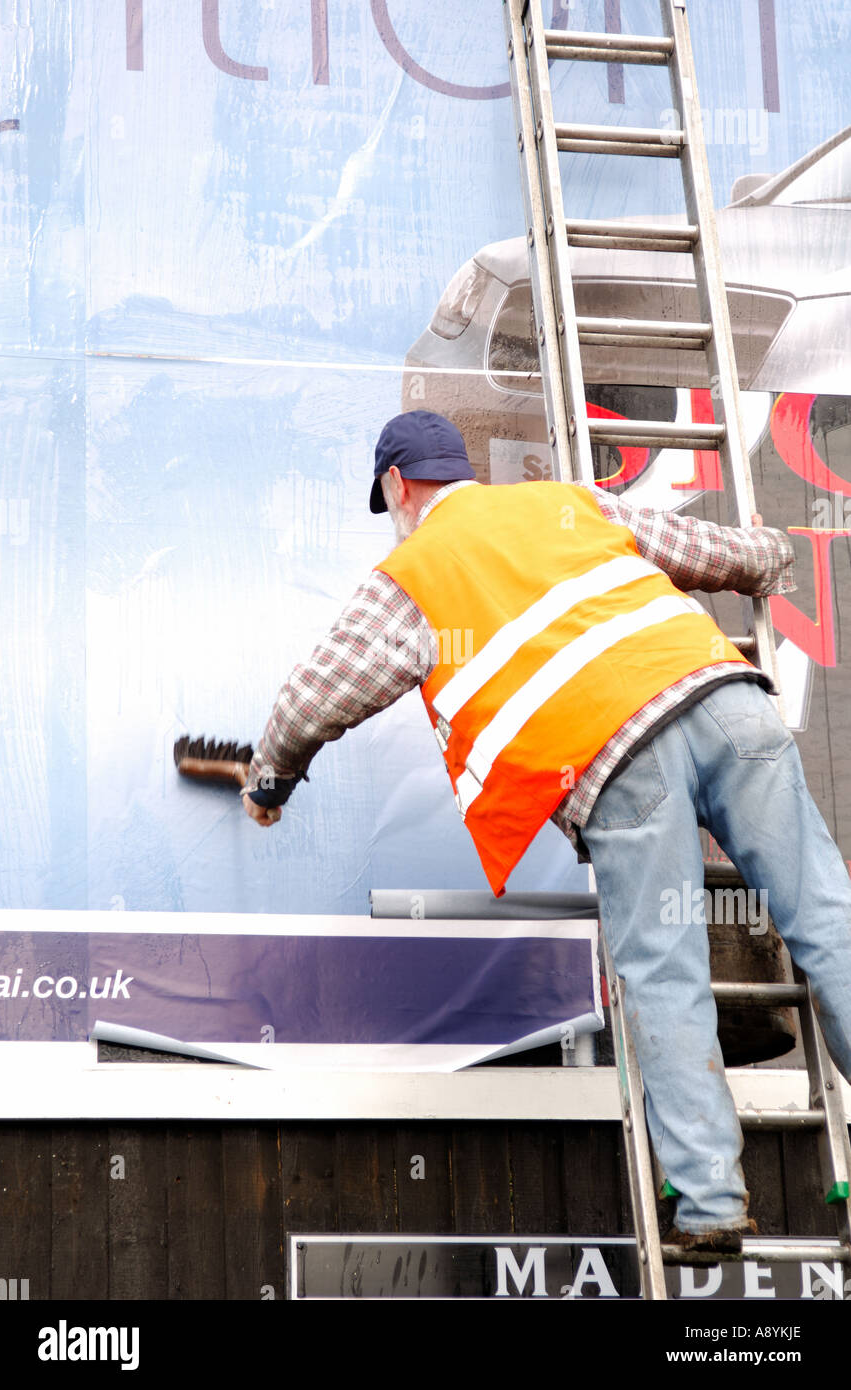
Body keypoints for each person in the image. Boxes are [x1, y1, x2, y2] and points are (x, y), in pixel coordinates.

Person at [241, 409, 851, 1252]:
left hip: (619, 761)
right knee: (826, 918)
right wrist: (771, 556)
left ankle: (712, 1206)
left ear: (397, 487)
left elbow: (318, 696)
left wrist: (269, 780)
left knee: (664, 975)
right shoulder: (563, 504)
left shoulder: (410, 574)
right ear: (459, 468)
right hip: (724, 703)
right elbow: (718, 557)